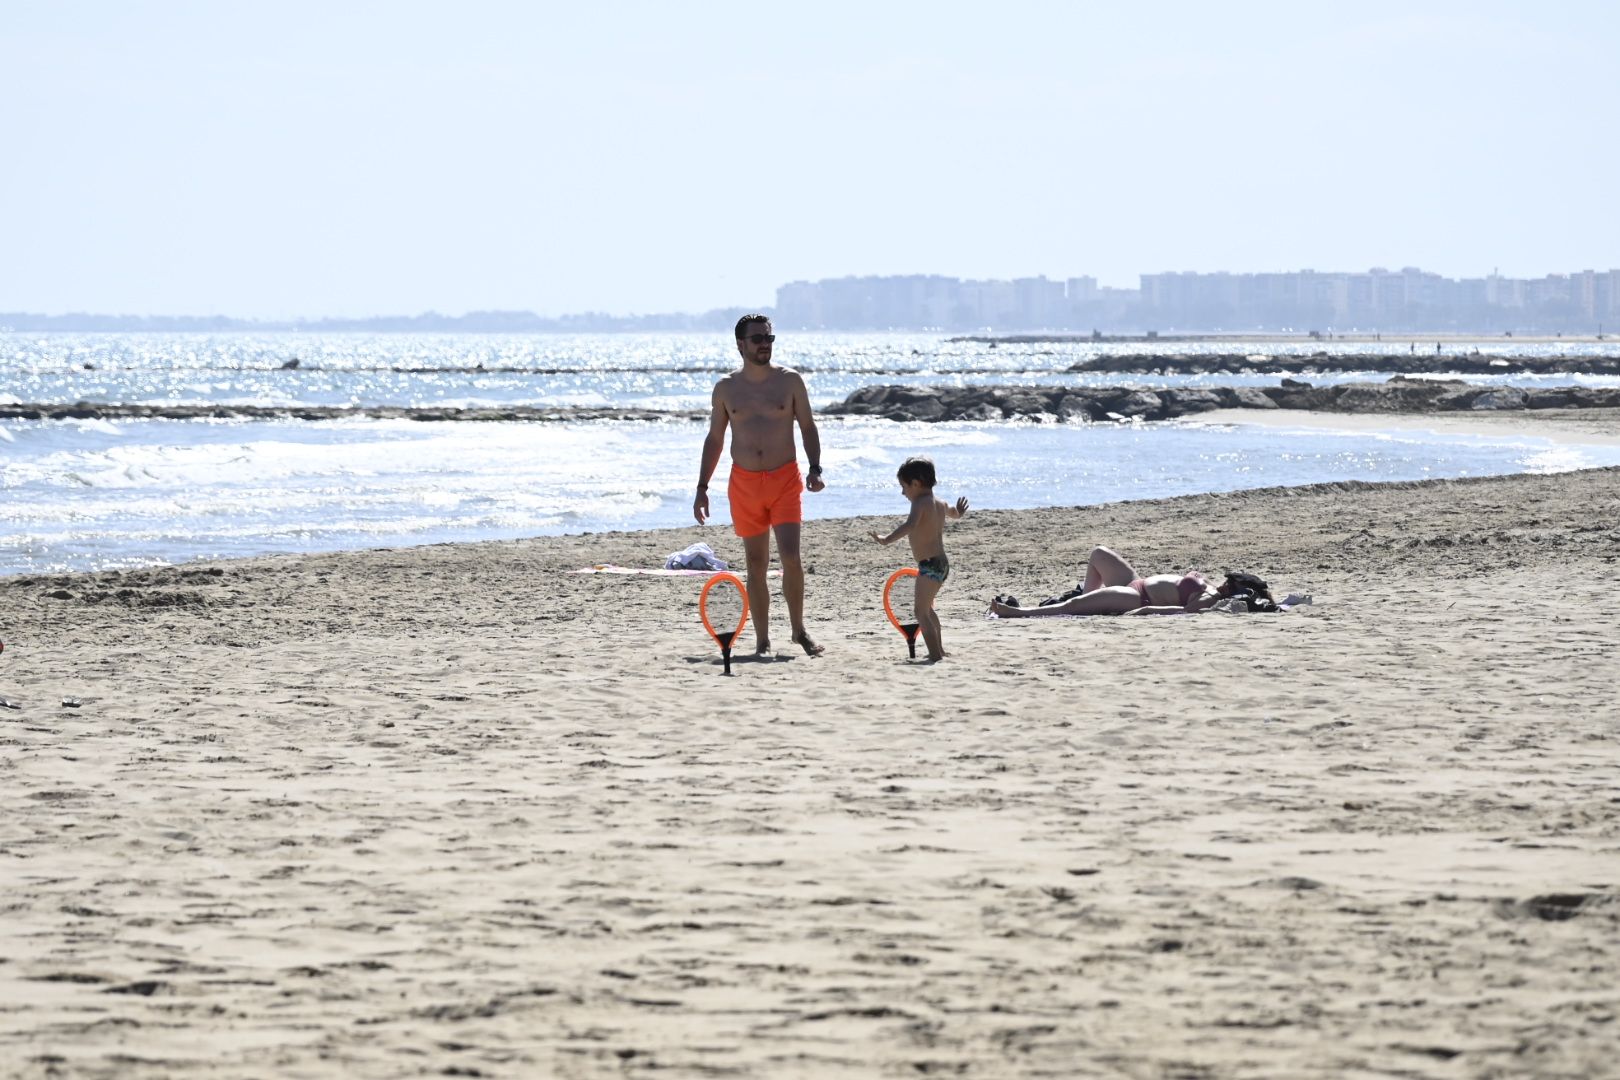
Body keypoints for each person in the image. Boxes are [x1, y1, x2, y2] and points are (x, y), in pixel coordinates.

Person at [694, 315, 826, 656]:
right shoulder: (726, 388)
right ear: (740, 344)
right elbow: (715, 439)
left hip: (784, 479)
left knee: (792, 558)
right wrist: (702, 487)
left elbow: (808, 427)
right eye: (757, 339)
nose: (764, 344)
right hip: (745, 484)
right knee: (756, 564)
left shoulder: (790, 381)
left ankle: (799, 631)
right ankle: (763, 640)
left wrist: (815, 468)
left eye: (769, 338)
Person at [869, 456, 969, 662]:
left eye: (904, 487)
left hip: (929, 564)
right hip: (942, 563)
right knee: (927, 610)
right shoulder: (940, 503)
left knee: (920, 612)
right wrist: (959, 513)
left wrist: (886, 539)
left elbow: (910, 525)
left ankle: (934, 655)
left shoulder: (919, 503)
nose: (903, 492)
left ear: (916, 483)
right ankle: (939, 650)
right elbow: (954, 513)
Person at [990, 546, 1272, 617]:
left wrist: (1148, 610)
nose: (1224, 585)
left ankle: (1019, 613)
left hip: (1138, 598)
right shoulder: (1211, 588)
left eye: (1229, 585)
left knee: (1074, 605)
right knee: (1098, 553)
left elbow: (1185, 612)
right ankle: (1088, 600)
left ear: (1235, 591)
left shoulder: (1210, 599)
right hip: (1136, 582)